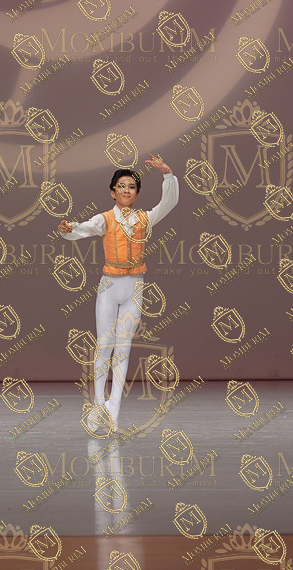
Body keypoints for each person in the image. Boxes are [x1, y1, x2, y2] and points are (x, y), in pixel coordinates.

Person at [58, 154, 179, 431]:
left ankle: (114, 410)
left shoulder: (145, 219)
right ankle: (97, 405)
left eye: (132, 186)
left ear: (137, 193)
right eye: (121, 186)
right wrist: (67, 229)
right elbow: (82, 229)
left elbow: (169, 202)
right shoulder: (105, 219)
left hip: (135, 286)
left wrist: (167, 173)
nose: (126, 190)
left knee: (123, 349)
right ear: (113, 192)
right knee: (104, 346)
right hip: (109, 286)